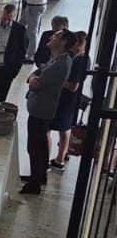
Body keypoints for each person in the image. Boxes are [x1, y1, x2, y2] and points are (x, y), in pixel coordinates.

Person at [22, 28, 72, 195]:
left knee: (34, 146)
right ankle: (38, 175)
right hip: (41, 107)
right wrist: (34, 76)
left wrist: (32, 79)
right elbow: (39, 71)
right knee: (40, 143)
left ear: (63, 42)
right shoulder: (57, 59)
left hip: (41, 109)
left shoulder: (60, 63)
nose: (51, 37)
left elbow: (36, 83)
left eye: (56, 36)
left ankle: (34, 183)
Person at [51, 30, 88, 172]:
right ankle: (61, 155)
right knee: (64, 128)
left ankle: (60, 158)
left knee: (64, 127)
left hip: (68, 99)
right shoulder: (76, 57)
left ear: (79, 43)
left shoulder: (81, 60)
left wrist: (57, 80)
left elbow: (73, 85)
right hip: (67, 99)